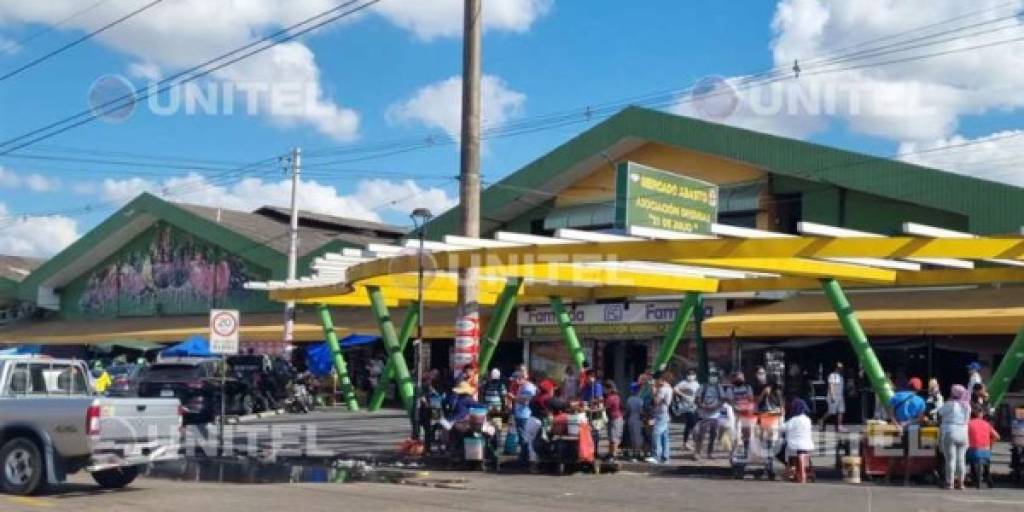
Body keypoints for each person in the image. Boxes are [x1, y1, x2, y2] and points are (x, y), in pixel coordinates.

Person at [937, 384, 971, 490]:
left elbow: (939, 413)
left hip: (950, 431)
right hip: (964, 433)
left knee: (950, 459)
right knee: (961, 460)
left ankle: (950, 483)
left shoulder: (950, 404)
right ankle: (961, 483)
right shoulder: (967, 406)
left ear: (953, 393)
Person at [967, 406, 999, 488]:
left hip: (972, 451)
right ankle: (988, 478)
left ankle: (972, 478)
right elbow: (997, 437)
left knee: (969, 458)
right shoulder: (987, 424)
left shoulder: (968, 423)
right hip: (986, 451)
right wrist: (990, 443)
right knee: (986, 461)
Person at [647, 372, 674, 464]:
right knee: (664, 436)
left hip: (660, 414)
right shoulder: (669, 387)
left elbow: (656, 401)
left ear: (660, 379)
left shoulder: (662, 389)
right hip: (664, 413)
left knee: (656, 434)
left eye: (655, 380)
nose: (654, 382)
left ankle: (656, 455)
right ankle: (665, 456)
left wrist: (653, 390)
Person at [511, 372, 537, 464]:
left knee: (524, 437)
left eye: (515, 379)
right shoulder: (522, 386)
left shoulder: (528, 387)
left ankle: (525, 458)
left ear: (521, 378)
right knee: (522, 437)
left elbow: (526, 401)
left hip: (524, 415)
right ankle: (524, 456)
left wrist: (513, 398)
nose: (514, 381)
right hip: (520, 415)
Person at [781, 399, 815, 465]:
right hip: (808, 446)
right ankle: (804, 467)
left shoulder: (792, 420)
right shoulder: (808, 420)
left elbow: (782, 428)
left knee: (782, 448)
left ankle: (790, 466)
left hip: (794, 446)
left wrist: (782, 416)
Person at [674, 368, 700, 450]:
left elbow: (698, 394)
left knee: (688, 426)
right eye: (689, 374)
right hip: (685, 408)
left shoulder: (697, 384)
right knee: (694, 425)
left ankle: (685, 443)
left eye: (692, 374)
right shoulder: (683, 383)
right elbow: (675, 389)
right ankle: (696, 443)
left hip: (694, 406)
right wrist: (683, 395)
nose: (690, 376)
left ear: (695, 376)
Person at [819, 362, 846, 432]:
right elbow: (831, 386)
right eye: (839, 368)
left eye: (842, 367)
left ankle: (840, 426)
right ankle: (821, 420)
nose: (841, 369)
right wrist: (832, 396)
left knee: (841, 411)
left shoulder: (841, 376)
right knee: (831, 412)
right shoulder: (833, 375)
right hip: (833, 396)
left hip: (840, 396)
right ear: (836, 368)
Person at [625, 382, 646, 461]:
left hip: (631, 420)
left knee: (633, 438)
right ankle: (637, 454)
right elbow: (642, 412)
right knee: (639, 438)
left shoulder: (629, 400)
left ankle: (634, 454)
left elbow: (627, 412)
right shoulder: (640, 400)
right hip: (638, 421)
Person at [604, 379, 624, 461]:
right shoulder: (616, 396)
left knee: (614, 438)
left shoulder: (611, 398)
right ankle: (610, 454)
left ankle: (613, 455)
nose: (605, 390)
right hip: (614, 418)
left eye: (605, 389)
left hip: (615, 419)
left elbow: (605, 407)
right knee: (611, 438)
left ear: (609, 389)